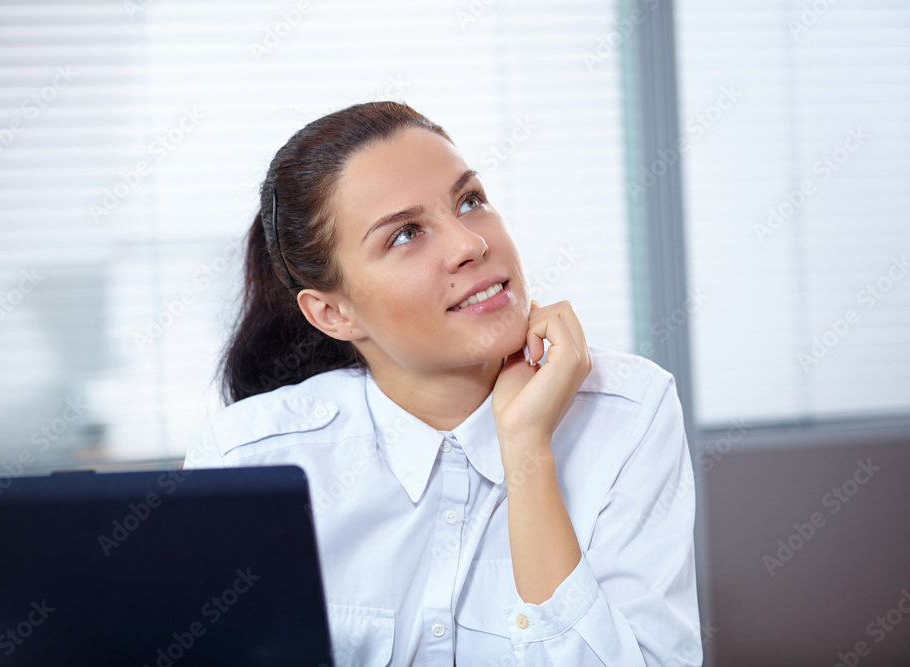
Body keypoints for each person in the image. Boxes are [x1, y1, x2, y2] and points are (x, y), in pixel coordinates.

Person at [183, 101, 702, 666]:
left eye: (470, 201)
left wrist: (527, 449)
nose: (469, 244)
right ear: (333, 313)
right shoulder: (248, 457)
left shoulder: (629, 415)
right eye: (406, 234)